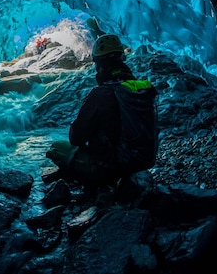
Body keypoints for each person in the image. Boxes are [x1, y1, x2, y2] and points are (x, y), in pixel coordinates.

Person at [46, 33, 159, 187]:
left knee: (57, 147)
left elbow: (75, 138)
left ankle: (95, 183)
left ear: (99, 64)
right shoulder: (137, 89)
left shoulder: (101, 94)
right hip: (142, 162)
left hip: (111, 168)